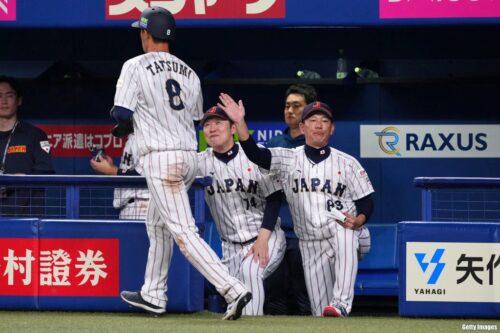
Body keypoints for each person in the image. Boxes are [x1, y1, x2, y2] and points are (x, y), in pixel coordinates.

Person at [112, 7, 251, 320]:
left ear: (147, 34)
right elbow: (194, 120)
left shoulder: (135, 64)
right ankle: (153, 294)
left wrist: (124, 126)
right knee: (157, 225)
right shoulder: (190, 73)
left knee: (183, 232)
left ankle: (231, 288)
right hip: (188, 157)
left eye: (141, 31)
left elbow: (121, 113)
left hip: (162, 159)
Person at [219, 93, 375, 317]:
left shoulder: (347, 163)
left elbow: (366, 202)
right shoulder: (289, 159)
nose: (318, 125)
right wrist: (241, 123)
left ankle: (342, 302)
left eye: (324, 121)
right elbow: (256, 154)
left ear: (332, 129)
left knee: (343, 229)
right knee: (322, 312)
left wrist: (359, 220)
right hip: (310, 242)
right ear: (302, 128)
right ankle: (336, 309)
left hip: (349, 232)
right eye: (312, 120)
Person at [197, 106, 286, 315]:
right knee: (237, 298)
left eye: (218, 122)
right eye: (207, 125)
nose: (212, 128)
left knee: (250, 271)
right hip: (230, 247)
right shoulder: (199, 162)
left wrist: (263, 240)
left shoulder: (255, 155)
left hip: (265, 236)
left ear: (233, 128)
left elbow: (274, 198)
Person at [264, 84, 316, 315]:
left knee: (304, 296)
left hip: (304, 234)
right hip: (276, 231)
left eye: (297, 106)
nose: (290, 111)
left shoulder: (316, 145)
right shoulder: (275, 144)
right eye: (287, 106)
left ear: (309, 111)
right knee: (274, 296)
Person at [0, 75, 54, 217]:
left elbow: (47, 172)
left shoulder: (36, 135)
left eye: (9, 95)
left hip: (25, 221)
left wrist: (20, 179)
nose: (3, 101)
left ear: (19, 100)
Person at [89, 132, 149, 220]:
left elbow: (147, 174)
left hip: (141, 206)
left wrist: (112, 170)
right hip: (132, 207)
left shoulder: (145, 137)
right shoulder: (133, 137)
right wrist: (110, 168)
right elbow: (130, 171)